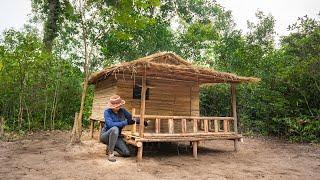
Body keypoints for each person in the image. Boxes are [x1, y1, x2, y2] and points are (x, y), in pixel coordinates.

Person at [100, 95, 147, 162]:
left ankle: (110, 149)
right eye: (117, 106)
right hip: (105, 136)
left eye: (119, 105)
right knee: (114, 128)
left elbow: (131, 119)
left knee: (127, 153)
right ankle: (111, 153)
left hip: (117, 136)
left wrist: (141, 121)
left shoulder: (122, 110)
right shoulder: (107, 112)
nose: (118, 107)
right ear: (112, 106)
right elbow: (110, 124)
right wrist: (125, 122)